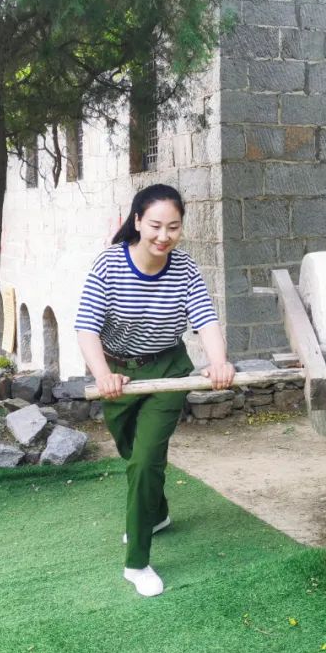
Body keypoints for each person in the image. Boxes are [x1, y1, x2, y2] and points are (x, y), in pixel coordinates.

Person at [75, 183, 235, 597]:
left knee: (145, 461)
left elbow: (205, 319)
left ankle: (137, 563)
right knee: (133, 454)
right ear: (137, 222)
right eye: (156, 226)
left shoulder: (184, 268)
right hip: (118, 375)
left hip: (168, 370)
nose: (164, 236)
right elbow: (87, 327)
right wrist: (103, 374)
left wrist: (219, 362)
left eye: (173, 227)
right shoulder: (110, 265)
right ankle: (157, 512)